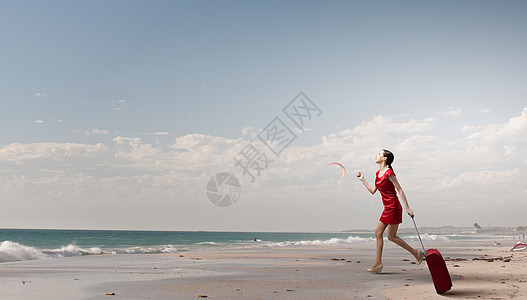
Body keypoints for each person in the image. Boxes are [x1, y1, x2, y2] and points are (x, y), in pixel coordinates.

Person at [357, 149, 424, 273]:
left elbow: (400, 189)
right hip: (387, 207)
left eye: (379, 154)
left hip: (393, 207)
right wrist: (362, 179)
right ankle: (378, 263)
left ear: (384, 159)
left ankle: (416, 253)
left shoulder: (389, 173)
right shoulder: (378, 173)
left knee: (391, 236)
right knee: (379, 233)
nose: (376, 155)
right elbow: (373, 191)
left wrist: (407, 207)